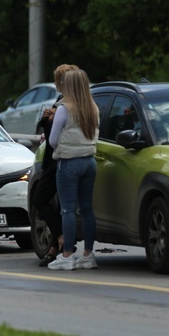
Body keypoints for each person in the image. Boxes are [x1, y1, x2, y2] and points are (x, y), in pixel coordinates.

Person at [46, 69, 100, 270]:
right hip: (90, 161)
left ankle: (67, 255)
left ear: (68, 86)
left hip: (69, 163)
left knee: (68, 209)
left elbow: (52, 141)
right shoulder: (93, 108)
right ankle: (88, 254)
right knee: (87, 210)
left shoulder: (64, 109)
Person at [35, 64, 79, 267]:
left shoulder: (70, 105)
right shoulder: (60, 102)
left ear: (65, 82)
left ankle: (62, 240)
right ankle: (57, 246)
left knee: (43, 200)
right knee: (55, 204)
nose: (55, 83)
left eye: (57, 80)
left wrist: (52, 121)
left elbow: (56, 138)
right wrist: (46, 120)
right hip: (53, 159)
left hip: (59, 159)